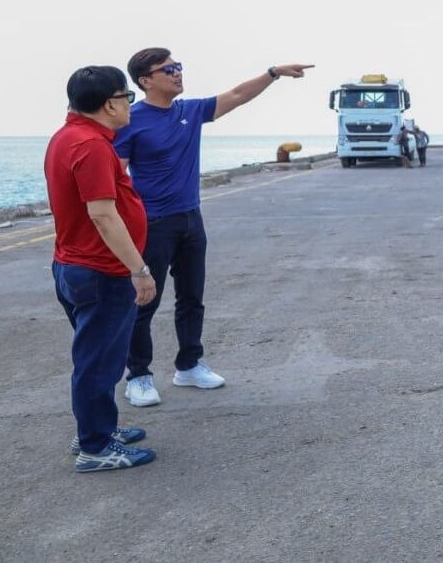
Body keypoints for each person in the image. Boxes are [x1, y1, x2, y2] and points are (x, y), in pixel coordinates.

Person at [115, 49, 313, 407]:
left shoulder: (189, 111)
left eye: (179, 67)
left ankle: (189, 365)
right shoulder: (132, 121)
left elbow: (237, 95)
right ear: (146, 80)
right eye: (169, 69)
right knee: (145, 300)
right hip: (152, 224)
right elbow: (115, 178)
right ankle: (139, 376)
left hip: (191, 218)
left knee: (192, 298)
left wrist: (272, 73)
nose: (177, 73)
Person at [45, 66, 158, 472]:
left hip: (74, 265)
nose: (130, 104)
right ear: (111, 103)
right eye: (127, 97)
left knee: (98, 356)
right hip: (100, 270)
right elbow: (103, 214)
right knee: (98, 362)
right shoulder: (90, 145)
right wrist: (139, 270)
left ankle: (99, 428)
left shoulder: (67, 136)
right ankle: (95, 446)